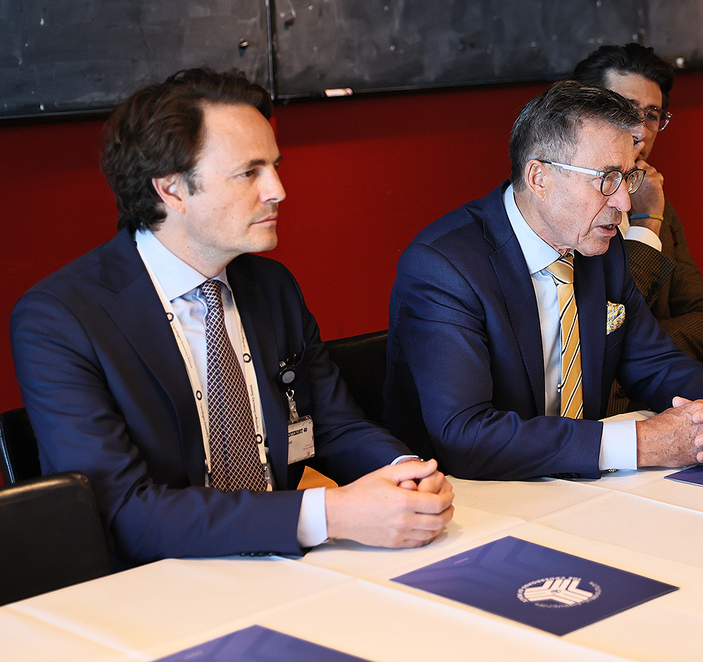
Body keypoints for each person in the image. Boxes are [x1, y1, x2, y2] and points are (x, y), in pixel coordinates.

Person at [10, 68, 454, 568]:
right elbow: (119, 514)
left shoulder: (271, 286)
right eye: (249, 172)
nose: (278, 190)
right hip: (155, 583)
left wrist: (404, 472)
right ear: (172, 190)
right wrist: (329, 515)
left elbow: (332, 427)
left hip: (284, 566)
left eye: (274, 166)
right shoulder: (61, 319)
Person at [383, 80, 703, 480]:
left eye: (627, 177)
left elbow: (657, 364)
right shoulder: (444, 267)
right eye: (606, 178)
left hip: (579, 487)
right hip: (462, 494)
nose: (624, 202)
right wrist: (640, 443)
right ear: (539, 178)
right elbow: (467, 436)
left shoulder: (600, 249)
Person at [571, 44, 703, 366]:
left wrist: (630, 343)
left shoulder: (653, 197)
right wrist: (645, 225)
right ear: (582, 112)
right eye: (625, 109)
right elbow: (595, 334)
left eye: (652, 116)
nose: (640, 131)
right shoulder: (564, 205)